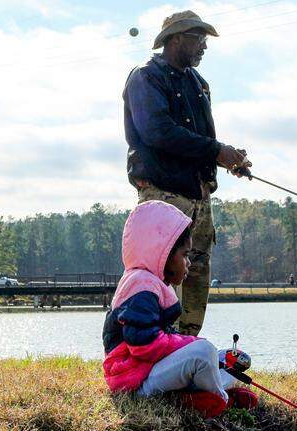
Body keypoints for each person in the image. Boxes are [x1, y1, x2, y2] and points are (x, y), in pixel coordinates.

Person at [123, 10, 252, 336]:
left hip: (199, 193)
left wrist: (225, 158)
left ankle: (184, 345)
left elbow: (202, 140)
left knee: (197, 269)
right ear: (176, 38)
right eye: (198, 38)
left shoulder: (198, 84)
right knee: (162, 268)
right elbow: (157, 132)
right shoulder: (146, 77)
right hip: (163, 192)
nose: (204, 46)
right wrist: (215, 150)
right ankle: (155, 347)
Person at [102, 201, 257, 418]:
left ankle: (199, 395)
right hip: (136, 383)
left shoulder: (150, 283)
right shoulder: (141, 285)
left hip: (147, 372)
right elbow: (144, 346)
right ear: (162, 253)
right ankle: (221, 399)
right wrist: (190, 343)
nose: (188, 263)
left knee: (228, 358)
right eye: (185, 255)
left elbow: (161, 339)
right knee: (204, 352)